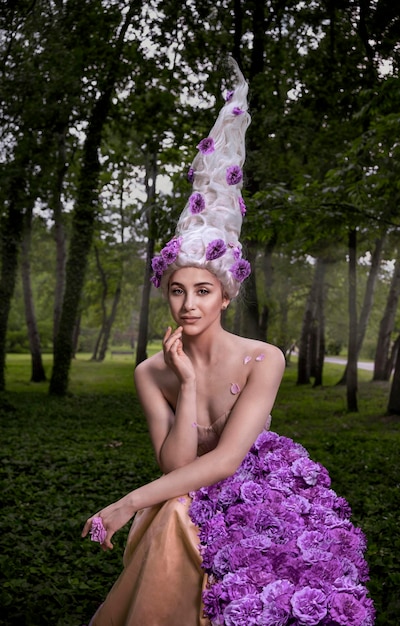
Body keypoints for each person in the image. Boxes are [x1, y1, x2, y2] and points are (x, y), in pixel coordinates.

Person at [82, 59, 375, 626]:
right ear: (165, 295)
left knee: (174, 515)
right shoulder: (151, 372)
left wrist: (127, 502)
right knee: (173, 516)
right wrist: (187, 385)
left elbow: (227, 461)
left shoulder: (264, 357)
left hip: (258, 487)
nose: (188, 304)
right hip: (189, 484)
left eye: (202, 290)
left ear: (224, 297)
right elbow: (176, 464)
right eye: (176, 291)